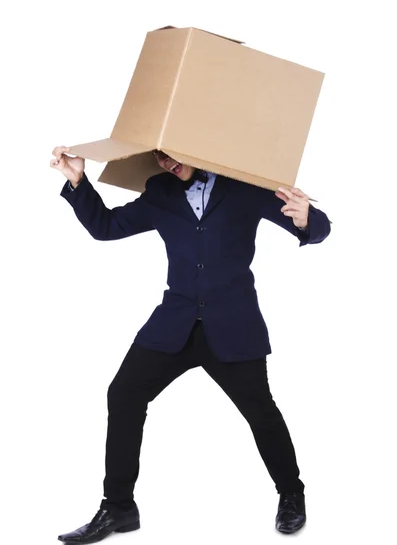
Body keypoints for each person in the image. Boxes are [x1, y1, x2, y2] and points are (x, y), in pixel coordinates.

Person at [51, 146, 331, 542]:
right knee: (124, 394)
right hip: (175, 323)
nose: (167, 162)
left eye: (173, 153)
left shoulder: (246, 186)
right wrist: (77, 180)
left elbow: (315, 228)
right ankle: (118, 507)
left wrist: (309, 221)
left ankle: (291, 495)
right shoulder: (159, 192)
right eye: (160, 158)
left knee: (261, 412)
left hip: (233, 324)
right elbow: (106, 227)